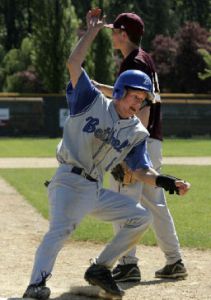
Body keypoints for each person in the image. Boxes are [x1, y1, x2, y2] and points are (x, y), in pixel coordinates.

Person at [22, 8, 190, 300]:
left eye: (142, 100)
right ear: (120, 90)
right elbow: (74, 62)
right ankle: (36, 284)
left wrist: (166, 181)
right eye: (134, 96)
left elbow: (141, 171)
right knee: (61, 231)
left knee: (140, 217)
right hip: (67, 181)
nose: (138, 104)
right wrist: (92, 31)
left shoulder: (136, 131)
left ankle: (101, 268)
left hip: (93, 189)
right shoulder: (90, 100)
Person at [92, 12, 188, 282]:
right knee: (156, 204)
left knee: (122, 201)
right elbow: (131, 93)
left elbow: (141, 105)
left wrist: (128, 149)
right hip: (152, 140)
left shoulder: (133, 61)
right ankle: (175, 260)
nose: (112, 34)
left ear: (124, 34)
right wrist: (99, 87)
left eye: (114, 30)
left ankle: (128, 264)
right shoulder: (143, 59)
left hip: (138, 142)